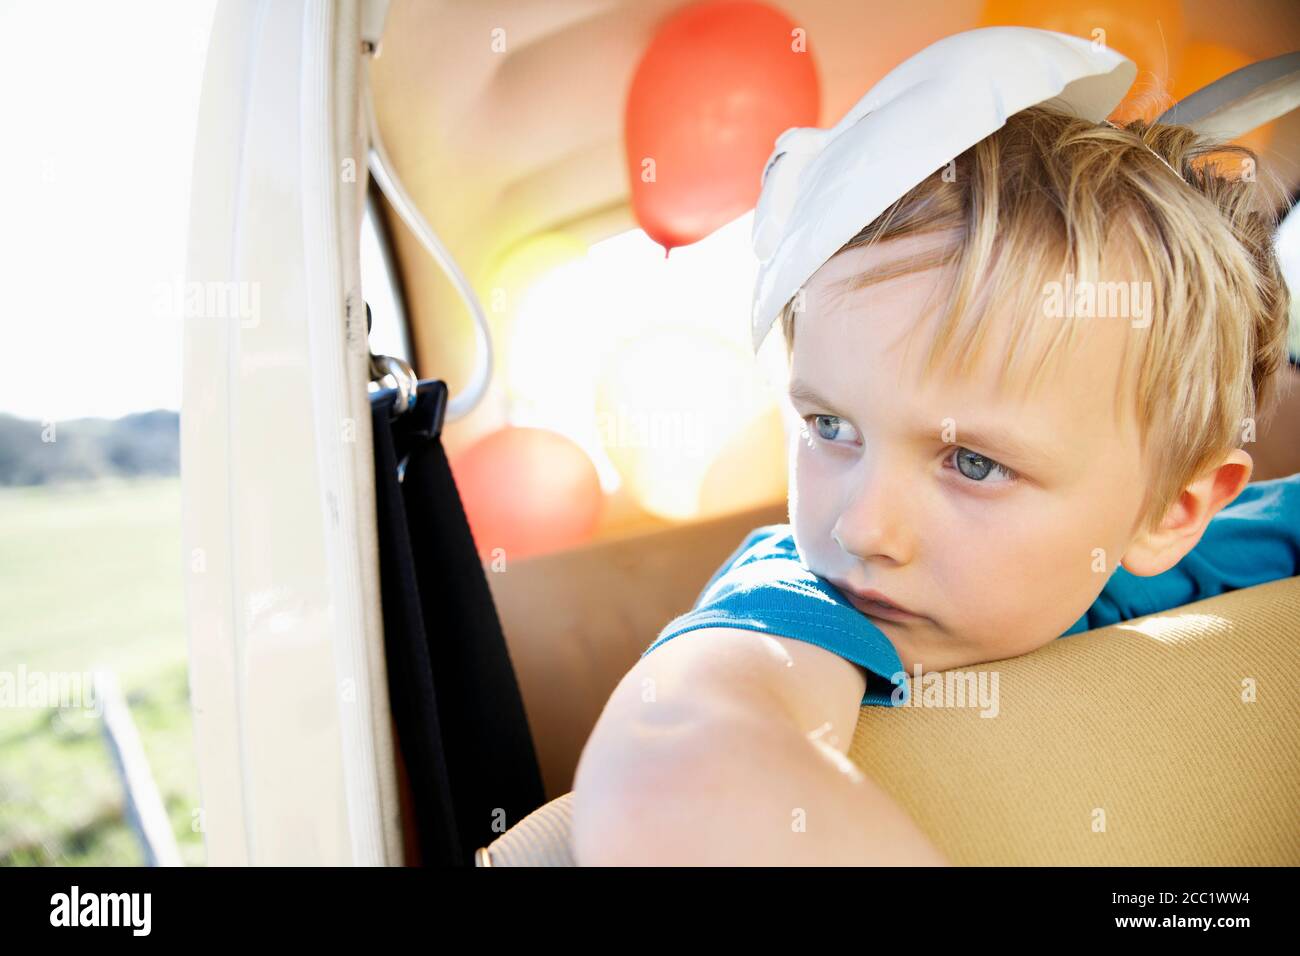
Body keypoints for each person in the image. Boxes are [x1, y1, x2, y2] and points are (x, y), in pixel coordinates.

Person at [571, 28, 1298, 866]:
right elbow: (682, 753)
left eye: (974, 463)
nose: (862, 528)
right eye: (829, 427)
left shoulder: (1242, 551)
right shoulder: (811, 599)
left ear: (1173, 510)